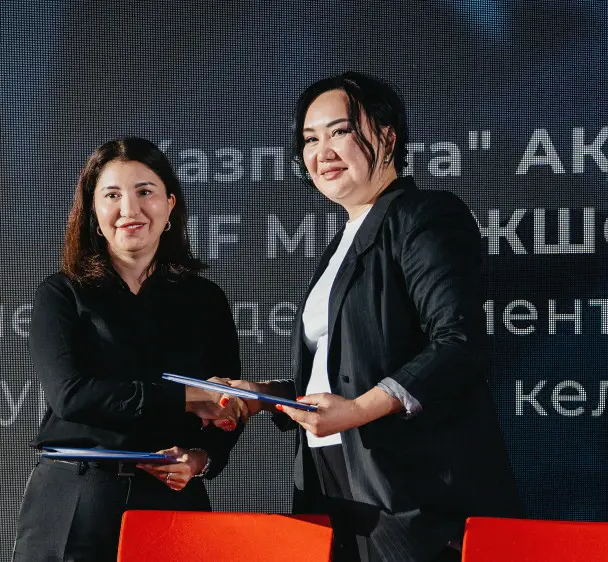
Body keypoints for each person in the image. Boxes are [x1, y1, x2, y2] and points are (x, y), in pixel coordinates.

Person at [219, 72, 523, 562]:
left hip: (408, 490)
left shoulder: (423, 215)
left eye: (340, 131)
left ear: (387, 136)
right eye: (310, 139)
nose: (322, 151)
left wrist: (358, 410)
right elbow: (344, 372)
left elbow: (457, 343)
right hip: (334, 482)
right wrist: (265, 395)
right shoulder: (342, 240)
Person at [11, 137, 246, 562]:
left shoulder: (205, 299)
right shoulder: (62, 294)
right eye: (112, 195)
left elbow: (226, 401)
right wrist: (185, 397)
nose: (129, 209)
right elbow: (71, 396)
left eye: (145, 192)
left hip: (172, 498)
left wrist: (200, 458)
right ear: (93, 211)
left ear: (170, 205)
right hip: (76, 496)